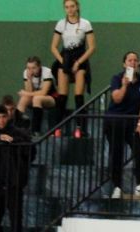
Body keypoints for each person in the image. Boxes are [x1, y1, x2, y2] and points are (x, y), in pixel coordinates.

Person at [104, 51, 140, 198]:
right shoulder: (117, 78)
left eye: (135, 60)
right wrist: (124, 85)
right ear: (124, 64)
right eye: (130, 60)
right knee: (116, 153)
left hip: (133, 121)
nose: (133, 63)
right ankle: (117, 186)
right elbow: (116, 99)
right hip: (115, 120)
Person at [0, 105, 33, 232]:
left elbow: (30, 151)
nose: (1, 120)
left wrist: (13, 141)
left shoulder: (19, 133)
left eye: (4, 116)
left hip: (14, 182)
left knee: (16, 216)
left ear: (8, 116)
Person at [50, 0, 95, 134]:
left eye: (72, 6)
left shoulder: (85, 23)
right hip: (65, 58)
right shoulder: (61, 24)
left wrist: (78, 62)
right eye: (67, 7)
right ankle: (57, 128)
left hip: (79, 58)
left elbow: (92, 47)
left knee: (78, 96)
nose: (69, 9)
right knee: (62, 96)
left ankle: (79, 127)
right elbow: (53, 47)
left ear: (77, 7)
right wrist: (62, 61)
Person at [16, 56, 57, 135]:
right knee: (24, 98)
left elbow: (44, 92)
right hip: (36, 97)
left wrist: (26, 93)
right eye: (28, 68)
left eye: (33, 68)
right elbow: (29, 91)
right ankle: (17, 127)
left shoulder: (47, 72)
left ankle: (35, 130)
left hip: (52, 98)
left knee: (37, 98)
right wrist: (29, 79)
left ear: (39, 66)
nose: (31, 70)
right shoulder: (26, 73)